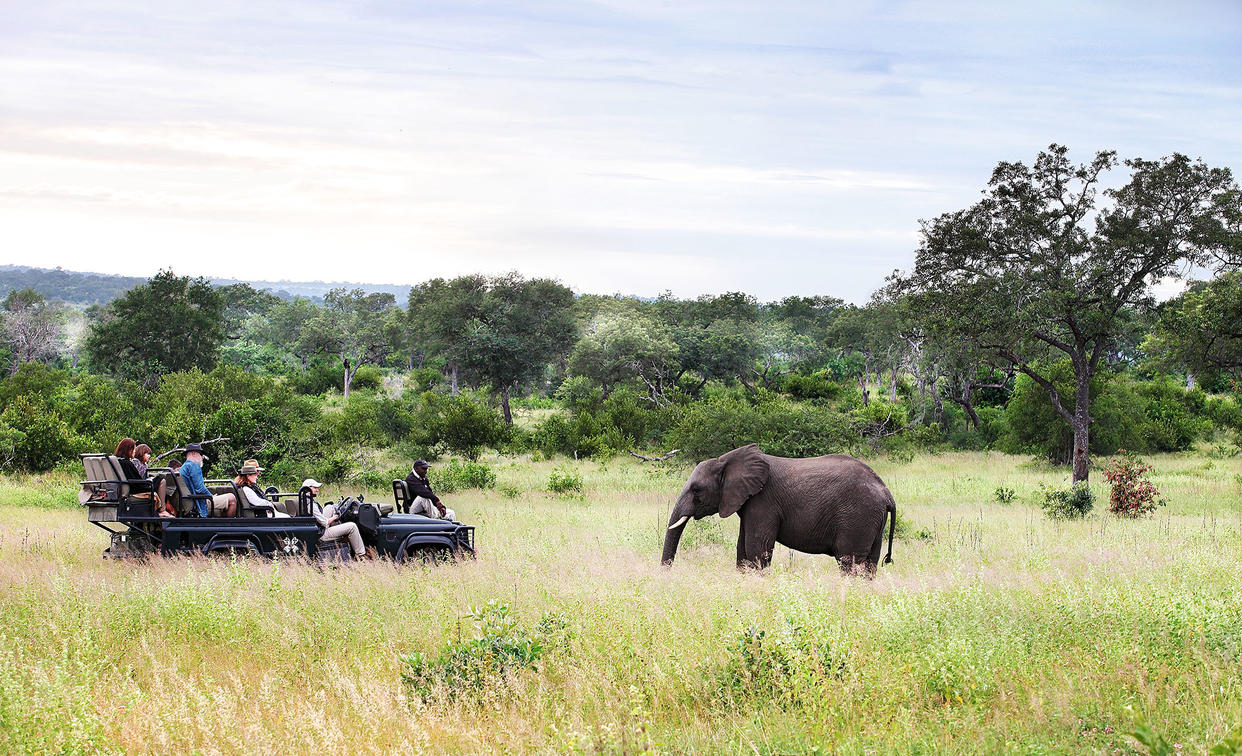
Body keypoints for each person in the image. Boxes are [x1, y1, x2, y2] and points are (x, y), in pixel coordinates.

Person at [303, 478, 371, 559]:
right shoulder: (310, 505)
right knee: (352, 526)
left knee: (330, 507)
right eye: (315, 488)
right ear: (307, 489)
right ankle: (361, 555)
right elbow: (325, 522)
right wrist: (335, 517)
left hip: (316, 527)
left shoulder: (304, 499)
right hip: (320, 534)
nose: (317, 490)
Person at [180, 442, 237, 518]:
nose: (202, 457)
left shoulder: (183, 467)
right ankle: (230, 524)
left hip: (192, 499)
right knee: (232, 498)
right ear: (193, 453)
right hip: (198, 502)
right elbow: (200, 489)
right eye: (201, 454)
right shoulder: (193, 466)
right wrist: (211, 496)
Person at [114, 437, 159, 503]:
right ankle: (162, 507)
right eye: (133, 449)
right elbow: (136, 482)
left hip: (128, 487)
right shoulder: (127, 463)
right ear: (129, 450)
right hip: (135, 489)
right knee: (160, 479)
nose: (134, 451)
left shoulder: (117, 461)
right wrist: (149, 482)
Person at [133, 443, 170, 514]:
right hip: (140, 486)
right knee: (162, 481)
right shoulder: (137, 463)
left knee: (161, 479)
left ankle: (161, 507)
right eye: (147, 454)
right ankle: (162, 509)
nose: (149, 456)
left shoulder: (144, 465)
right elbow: (138, 477)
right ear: (141, 453)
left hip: (144, 484)